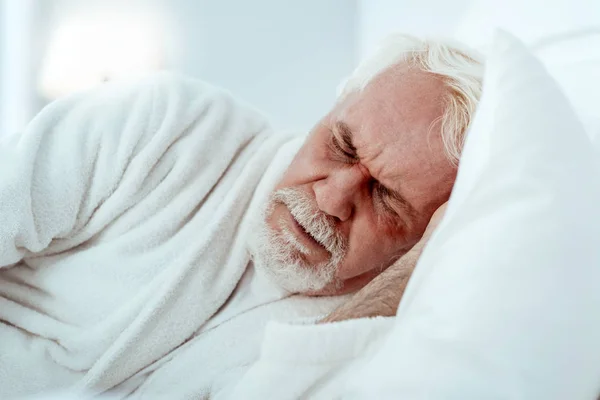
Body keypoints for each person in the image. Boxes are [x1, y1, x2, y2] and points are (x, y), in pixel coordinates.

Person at [0, 34, 483, 398]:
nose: (331, 198)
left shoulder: (382, 331)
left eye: (387, 199)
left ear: (428, 234)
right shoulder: (167, 124)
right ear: (335, 104)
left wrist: (402, 284)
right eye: (341, 146)